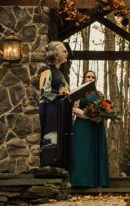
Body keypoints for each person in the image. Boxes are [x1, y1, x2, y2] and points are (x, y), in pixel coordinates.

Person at [38, 41, 74, 170]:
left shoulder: (60, 74)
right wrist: (63, 92)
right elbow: (44, 91)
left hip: (62, 110)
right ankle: (49, 162)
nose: (67, 53)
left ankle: (60, 162)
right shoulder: (45, 70)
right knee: (51, 134)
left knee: (62, 135)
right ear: (56, 54)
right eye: (64, 51)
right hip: (51, 110)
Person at [70, 71, 110, 188]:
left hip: (96, 126)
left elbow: (105, 109)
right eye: (88, 77)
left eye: (93, 77)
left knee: (95, 150)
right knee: (82, 151)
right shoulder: (78, 92)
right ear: (84, 79)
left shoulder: (99, 94)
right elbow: (74, 109)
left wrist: (98, 117)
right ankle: (80, 182)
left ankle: (97, 181)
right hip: (82, 125)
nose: (90, 79)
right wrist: (89, 116)